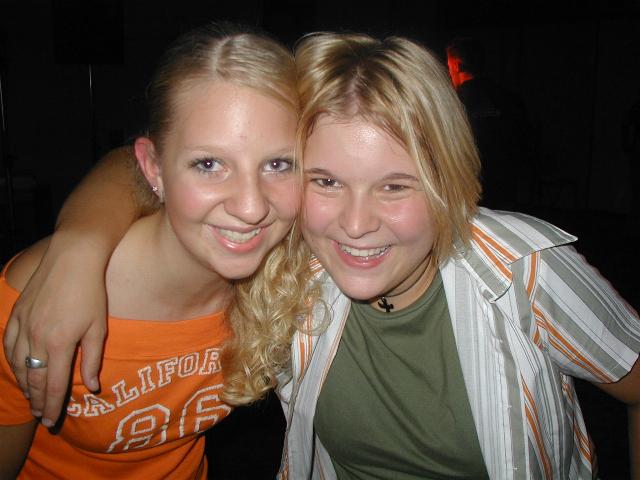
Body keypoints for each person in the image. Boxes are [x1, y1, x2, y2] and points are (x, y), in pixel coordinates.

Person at [6, 32, 640, 479]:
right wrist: (78, 248)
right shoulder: (294, 269)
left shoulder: (517, 269)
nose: (356, 225)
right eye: (327, 180)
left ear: (446, 180)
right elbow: (144, 166)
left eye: (396, 185)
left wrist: (78, 244)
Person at [0, 22, 314, 478]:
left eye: (278, 164)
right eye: (209, 164)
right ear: (153, 167)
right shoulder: (42, 297)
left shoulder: (290, 275)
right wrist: (79, 246)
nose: (250, 207)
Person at [446, 36, 533, 210]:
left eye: (448, 67)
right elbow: (525, 144)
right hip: (505, 190)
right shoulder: (509, 99)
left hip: (467, 192)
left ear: (455, 65)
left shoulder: (452, 103)